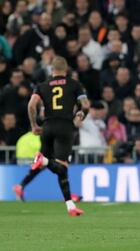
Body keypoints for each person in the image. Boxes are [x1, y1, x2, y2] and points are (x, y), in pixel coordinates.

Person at [25, 56, 89, 216]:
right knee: (61, 167)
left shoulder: (42, 86)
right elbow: (85, 105)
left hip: (47, 127)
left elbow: (31, 105)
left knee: (60, 170)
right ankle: (43, 160)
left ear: (52, 69)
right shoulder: (74, 84)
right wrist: (81, 115)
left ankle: (70, 206)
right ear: (66, 69)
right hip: (65, 127)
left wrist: (34, 125)